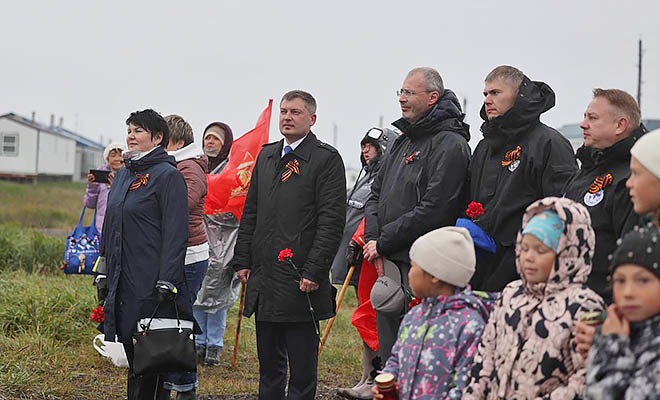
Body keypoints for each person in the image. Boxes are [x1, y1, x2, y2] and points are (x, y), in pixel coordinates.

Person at [231, 90, 346, 400]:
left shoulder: (326, 159)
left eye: (295, 112)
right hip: (266, 277)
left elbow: (331, 221)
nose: (287, 117)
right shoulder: (267, 156)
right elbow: (251, 212)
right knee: (269, 366)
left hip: (300, 280)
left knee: (302, 368)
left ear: (312, 118)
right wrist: (242, 259)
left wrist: (314, 270)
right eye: (284, 111)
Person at [363, 67, 471, 363]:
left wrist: (384, 241)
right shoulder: (402, 140)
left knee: (420, 349)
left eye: (409, 93)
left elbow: (435, 208)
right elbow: (375, 194)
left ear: (432, 97)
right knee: (390, 344)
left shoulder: (451, 144)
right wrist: (374, 240)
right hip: (387, 256)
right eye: (401, 92)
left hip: (424, 261)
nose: (402, 99)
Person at [463, 197, 605, 399]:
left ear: (568, 253)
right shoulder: (511, 294)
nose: (528, 257)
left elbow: (587, 378)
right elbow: (485, 359)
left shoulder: (584, 306)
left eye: (541, 250)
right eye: (525, 247)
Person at [101, 109, 198, 399]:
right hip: (122, 280)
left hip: (151, 283)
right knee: (134, 360)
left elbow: (176, 233)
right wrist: (104, 269)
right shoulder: (122, 176)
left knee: (151, 361)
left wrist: (167, 279)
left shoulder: (168, 176)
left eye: (138, 130)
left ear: (157, 138)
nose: (130, 135)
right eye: (129, 129)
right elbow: (110, 225)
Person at [468, 65, 577, 292]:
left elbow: (560, 211)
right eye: (485, 94)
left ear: (517, 95)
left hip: (522, 266)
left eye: (496, 93)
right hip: (479, 262)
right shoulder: (485, 146)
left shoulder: (549, 143)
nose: (488, 100)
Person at [371, 227, 493, 400]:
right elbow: (396, 359)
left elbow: (466, 387)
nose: (410, 273)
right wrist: (389, 382)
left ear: (435, 275)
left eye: (413, 266)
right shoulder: (415, 316)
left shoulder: (469, 326)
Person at [575, 129, 660, 359]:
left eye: (637, 174)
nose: (628, 184)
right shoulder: (647, 235)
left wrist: (609, 345)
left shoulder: (647, 242)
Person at [563, 89, 646, 302]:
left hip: (602, 303)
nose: (583, 124)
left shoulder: (632, 179)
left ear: (620, 125)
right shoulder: (587, 168)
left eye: (592, 118)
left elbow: (631, 257)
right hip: (569, 297)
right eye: (584, 117)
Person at [335, 127, 399, 400]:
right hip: (358, 260)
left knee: (376, 317)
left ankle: (376, 378)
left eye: (371, 146)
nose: (365, 151)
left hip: (377, 257)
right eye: (363, 145)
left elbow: (376, 214)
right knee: (367, 316)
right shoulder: (364, 178)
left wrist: (363, 239)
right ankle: (367, 376)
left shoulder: (388, 179)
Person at [162, 114, 209, 400]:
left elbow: (183, 203)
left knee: (178, 324)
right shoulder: (176, 165)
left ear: (176, 141)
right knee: (170, 323)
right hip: (175, 253)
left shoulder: (189, 167)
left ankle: (185, 388)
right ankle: (170, 383)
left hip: (188, 256)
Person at [585, 226, 660, 399]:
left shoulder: (615, 337)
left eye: (643, 280)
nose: (628, 292)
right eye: (620, 280)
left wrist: (613, 346)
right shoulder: (617, 330)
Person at [194, 121, 241, 366]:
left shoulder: (233, 170)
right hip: (198, 238)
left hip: (225, 241)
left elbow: (237, 205)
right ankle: (198, 341)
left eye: (215, 139)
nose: (210, 143)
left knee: (218, 297)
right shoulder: (197, 166)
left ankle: (214, 344)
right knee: (197, 293)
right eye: (207, 138)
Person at [84, 142, 126, 233]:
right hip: (101, 229)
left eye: (120, 155)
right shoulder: (100, 177)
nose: (117, 159)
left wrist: (116, 186)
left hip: (123, 229)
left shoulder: (130, 177)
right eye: (113, 156)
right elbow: (90, 204)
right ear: (107, 159)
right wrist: (92, 185)